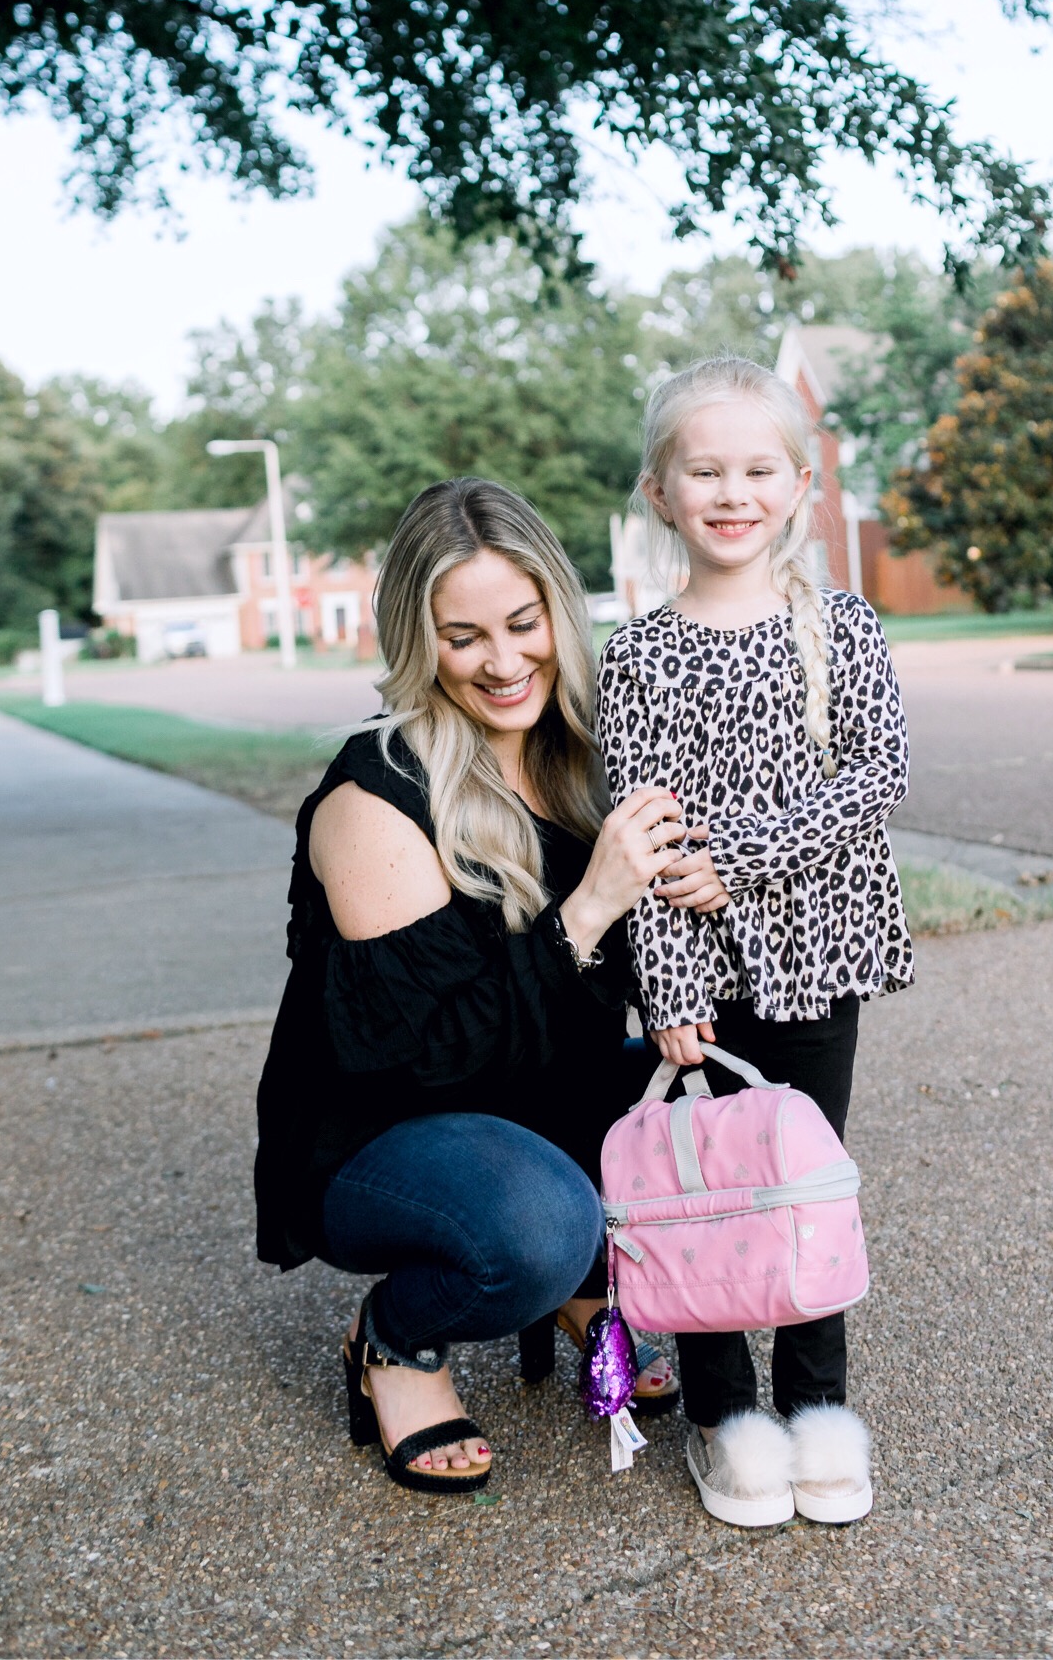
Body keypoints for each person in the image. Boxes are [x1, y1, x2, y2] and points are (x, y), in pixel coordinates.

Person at [255, 478, 682, 1497]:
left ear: (559, 613)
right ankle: (397, 1338)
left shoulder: (576, 754)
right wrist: (585, 910)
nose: (503, 661)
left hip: (531, 1100)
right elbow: (424, 1056)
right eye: (464, 636)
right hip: (385, 1133)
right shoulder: (378, 796)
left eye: (524, 623)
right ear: (419, 641)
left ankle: (582, 1285)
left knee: (725, 1107)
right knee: (531, 1228)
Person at [596, 354, 914, 1528]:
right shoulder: (639, 656)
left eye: (758, 468)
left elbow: (879, 774)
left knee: (805, 1182)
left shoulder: (841, 625)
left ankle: (820, 1408)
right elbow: (642, 834)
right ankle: (728, 1420)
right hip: (701, 975)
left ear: (801, 484)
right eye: (706, 469)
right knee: (713, 1187)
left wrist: (745, 857)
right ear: (661, 491)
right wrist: (667, 986)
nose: (733, 490)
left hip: (823, 953)